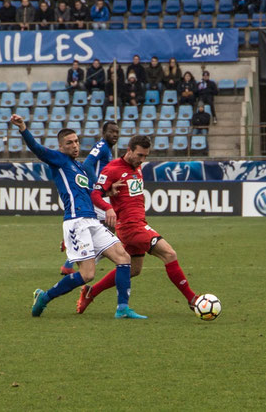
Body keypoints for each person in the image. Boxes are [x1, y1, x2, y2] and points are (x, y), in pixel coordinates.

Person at [10, 114, 146, 319]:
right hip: (76, 221)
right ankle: (45, 297)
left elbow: (89, 193)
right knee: (87, 275)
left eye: (76, 141)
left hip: (92, 220)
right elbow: (38, 149)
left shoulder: (79, 167)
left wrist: (108, 193)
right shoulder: (59, 160)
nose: (75, 145)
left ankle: (122, 309)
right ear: (61, 147)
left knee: (123, 258)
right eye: (69, 143)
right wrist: (23, 128)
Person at [77, 135, 200, 315]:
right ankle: (192, 298)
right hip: (130, 226)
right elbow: (95, 194)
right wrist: (108, 208)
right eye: (140, 155)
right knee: (169, 253)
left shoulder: (136, 166)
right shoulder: (112, 169)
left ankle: (91, 292)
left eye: (145, 156)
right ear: (129, 151)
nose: (142, 160)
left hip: (138, 223)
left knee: (133, 269)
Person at [59, 121, 120, 275]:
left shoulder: (107, 148)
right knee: (113, 223)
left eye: (117, 132)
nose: (114, 135)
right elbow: (87, 164)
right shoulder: (102, 146)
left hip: (97, 194)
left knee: (109, 225)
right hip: (96, 194)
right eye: (111, 131)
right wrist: (98, 186)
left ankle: (71, 249)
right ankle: (72, 256)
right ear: (103, 133)